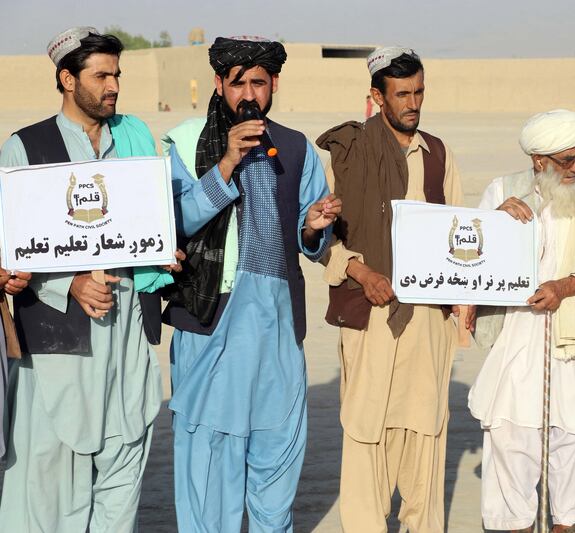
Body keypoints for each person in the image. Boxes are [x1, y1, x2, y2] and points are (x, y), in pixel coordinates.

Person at [162, 35, 339, 532]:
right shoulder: (185, 141)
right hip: (211, 326)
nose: (248, 94)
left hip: (277, 330)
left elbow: (312, 238)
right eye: (237, 82)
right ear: (218, 84)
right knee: (209, 466)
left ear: (274, 85)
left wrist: (313, 227)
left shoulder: (298, 148)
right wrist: (226, 164)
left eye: (258, 83)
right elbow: (170, 224)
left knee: (275, 467)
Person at [0, 27, 167, 532]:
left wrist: (165, 248)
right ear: (67, 79)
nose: (113, 85)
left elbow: (154, 223)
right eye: (102, 75)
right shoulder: (24, 148)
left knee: (121, 485)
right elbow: (8, 250)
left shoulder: (133, 146)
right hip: (57, 353)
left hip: (128, 344)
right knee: (48, 495)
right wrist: (66, 282)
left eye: (117, 74)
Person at [316, 46, 463, 532]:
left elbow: (458, 236)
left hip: (426, 322)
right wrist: (363, 273)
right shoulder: (345, 152)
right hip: (369, 317)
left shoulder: (439, 154)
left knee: (425, 435)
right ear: (377, 96)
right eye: (402, 94)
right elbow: (320, 241)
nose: (413, 103)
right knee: (366, 434)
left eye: (419, 92)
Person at [467, 110, 575, 533]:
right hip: (514, 343)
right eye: (565, 160)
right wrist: (496, 221)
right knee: (509, 441)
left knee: (569, 443)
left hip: (572, 346)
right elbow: (472, 263)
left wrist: (563, 287)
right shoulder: (501, 191)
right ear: (539, 161)